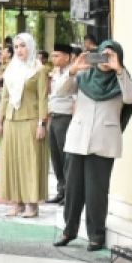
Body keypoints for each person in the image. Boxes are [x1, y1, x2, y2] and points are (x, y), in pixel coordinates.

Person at [53, 40, 132, 252]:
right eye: (103, 54)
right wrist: (73, 70)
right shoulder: (83, 77)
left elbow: (131, 97)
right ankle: (69, 231)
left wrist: (119, 69)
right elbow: (60, 91)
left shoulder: (122, 81)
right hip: (77, 140)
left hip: (104, 142)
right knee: (73, 190)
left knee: (96, 192)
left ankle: (96, 235)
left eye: (110, 55)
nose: (105, 59)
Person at [0, 33, 50, 218]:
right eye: (16, 46)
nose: (19, 50)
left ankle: (31, 204)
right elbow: (5, 97)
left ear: (31, 47)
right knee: (12, 161)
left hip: (30, 119)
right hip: (11, 120)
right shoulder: (11, 69)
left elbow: (43, 98)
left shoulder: (39, 69)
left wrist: (42, 123)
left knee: (29, 162)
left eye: (23, 46)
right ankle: (16, 202)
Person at [46, 43, 78, 206]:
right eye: (53, 55)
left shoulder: (73, 72)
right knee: (56, 156)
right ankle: (61, 189)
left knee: (66, 157)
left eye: (57, 55)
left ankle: (69, 193)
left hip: (65, 117)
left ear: (67, 57)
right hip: (54, 115)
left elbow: (62, 90)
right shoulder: (56, 72)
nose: (54, 58)